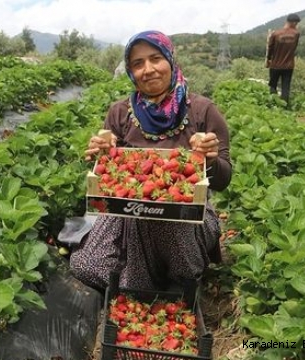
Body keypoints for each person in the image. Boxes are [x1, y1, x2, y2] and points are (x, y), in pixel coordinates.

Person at [70, 30, 232, 294]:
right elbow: (111, 176)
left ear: (170, 59)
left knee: (164, 215)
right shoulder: (120, 112)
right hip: (129, 212)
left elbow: (224, 180)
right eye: (137, 63)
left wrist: (210, 160)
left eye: (155, 58)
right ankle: (144, 284)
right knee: (86, 265)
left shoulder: (202, 110)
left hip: (187, 216)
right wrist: (102, 153)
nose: (148, 69)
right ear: (131, 72)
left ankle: (161, 282)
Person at [266, 13, 301, 107]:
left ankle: (273, 105)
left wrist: (268, 59)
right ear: (293, 23)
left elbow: (270, 48)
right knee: (286, 87)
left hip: (275, 65)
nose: (297, 25)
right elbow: (294, 48)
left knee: (273, 86)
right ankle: (284, 107)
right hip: (289, 65)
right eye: (296, 23)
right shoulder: (296, 34)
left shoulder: (275, 34)